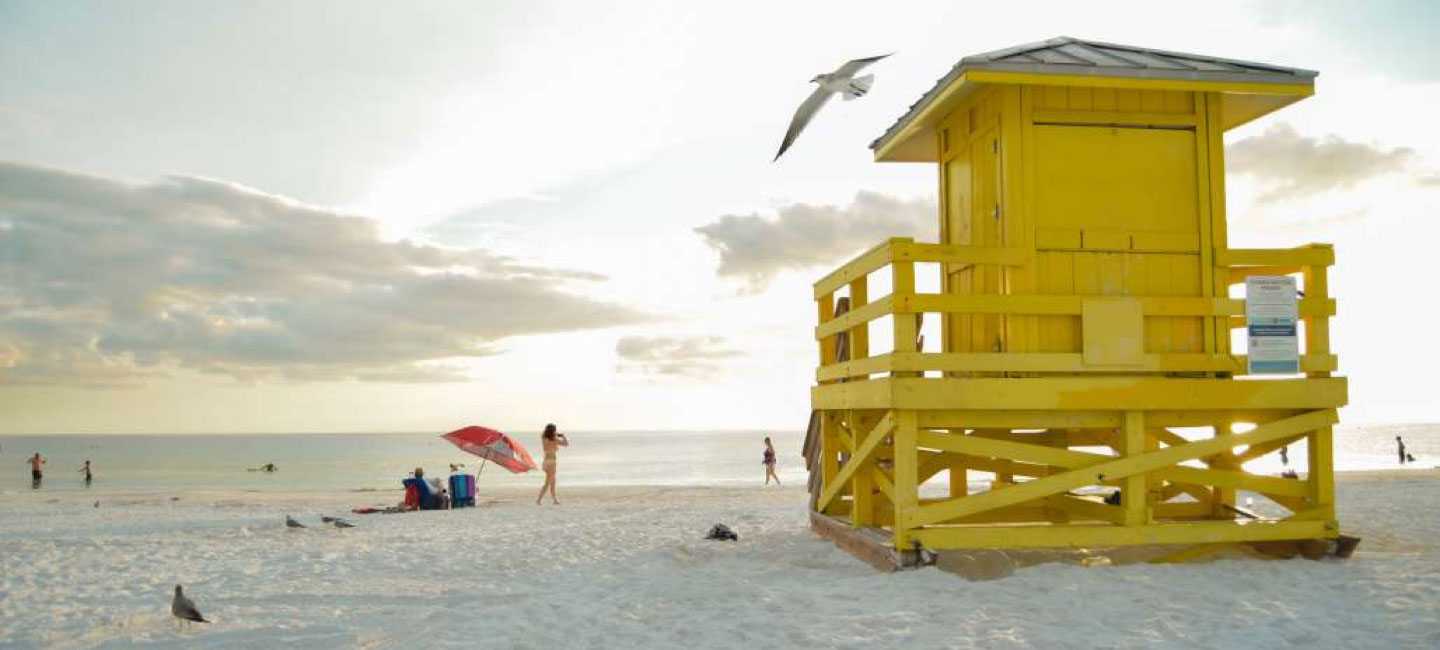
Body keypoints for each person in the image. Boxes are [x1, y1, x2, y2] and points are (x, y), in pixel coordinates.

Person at [535, 424, 568, 505]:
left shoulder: (544, 438)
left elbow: (543, 434)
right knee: (548, 482)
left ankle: (555, 500)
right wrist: (563, 436)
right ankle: (539, 500)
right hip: (552, 463)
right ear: (553, 431)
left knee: (553, 481)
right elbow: (566, 444)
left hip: (546, 462)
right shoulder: (555, 439)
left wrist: (554, 434)